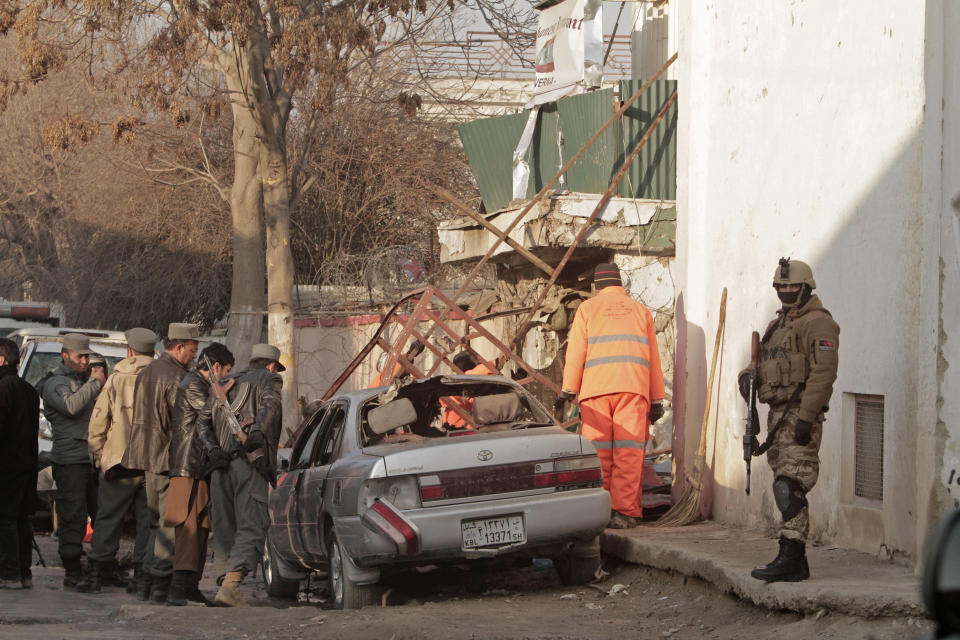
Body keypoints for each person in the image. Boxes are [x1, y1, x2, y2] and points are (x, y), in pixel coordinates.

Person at [742, 258, 839, 583]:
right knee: (783, 482)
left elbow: (824, 373)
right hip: (778, 415)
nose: (786, 292)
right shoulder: (778, 324)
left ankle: (792, 557)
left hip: (800, 414)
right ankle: (793, 559)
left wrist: (807, 417)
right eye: (781, 287)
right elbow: (763, 362)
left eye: (792, 287)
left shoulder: (817, 322)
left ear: (806, 287)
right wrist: (747, 378)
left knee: (790, 487)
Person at [561, 263, 665, 530]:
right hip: (633, 390)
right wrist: (656, 398)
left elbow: (576, 352)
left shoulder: (588, 309)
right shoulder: (641, 311)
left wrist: (569, 389)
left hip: (595, 393)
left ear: (597, 286)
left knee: (598, 455)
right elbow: (653, 357)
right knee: (629, 454)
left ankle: (600, 511)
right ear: (620, 284)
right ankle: (626, 513)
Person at [196, 343, 284, 607]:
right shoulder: (270, 378)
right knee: (253, 523)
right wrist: (256, 433)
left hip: (220, 465)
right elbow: (269, 405)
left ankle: (225, 584)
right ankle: (231, 587)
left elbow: (201, 423)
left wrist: (213, 450)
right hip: (249, 462)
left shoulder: (223, 382)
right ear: (271, 365)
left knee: (224, 526)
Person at [76, 328, 157, 594]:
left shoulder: (117, 378)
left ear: (130, 351)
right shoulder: (163, 376)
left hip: (118, 461)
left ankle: (97, 573)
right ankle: (141, 576)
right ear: (153, 351)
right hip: (153, 461)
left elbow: (98, 421)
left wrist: (99, 456)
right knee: (148, 521)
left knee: (108, 518)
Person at [123, 322, 199, 602]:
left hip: (146, 456)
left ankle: (145, 582)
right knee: (169, 523)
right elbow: (181, 424)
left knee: (152, 522)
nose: (194, 356)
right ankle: (159, 584)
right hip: (168, 459)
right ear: (179, 347)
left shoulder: (148, 372)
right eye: (192, 350)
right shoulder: (177, 377)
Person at [163, 342, 235, 606]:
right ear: (216, 367)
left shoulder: (199, 384)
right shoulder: (193, 384)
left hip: (199, 467)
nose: (226, 376)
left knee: (201, 527)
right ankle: (179, 585)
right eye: (225, 371)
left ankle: (189, 584)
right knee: (188, 526)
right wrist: (222, 396)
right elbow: (213, 415)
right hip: (188, 466)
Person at [36, 333, 105, 587]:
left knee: (101, 513)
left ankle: (100, 567)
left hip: (92, 458)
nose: (85, 361)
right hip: (71, 460)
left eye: (87, 356)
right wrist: (96, 383)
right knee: (73, 516)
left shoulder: (82, 380)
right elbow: (72, 406)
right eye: (80, 356)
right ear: (65, 356)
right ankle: (72, 569)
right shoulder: (56, 383)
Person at [0, 338, 40, 589]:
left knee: (5, 518)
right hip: (26, 464)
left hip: (7, 466)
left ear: (2, 359)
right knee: (21, 518)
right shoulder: (28, 389)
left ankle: (10, 573)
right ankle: (23, 572)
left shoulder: (4, 388)